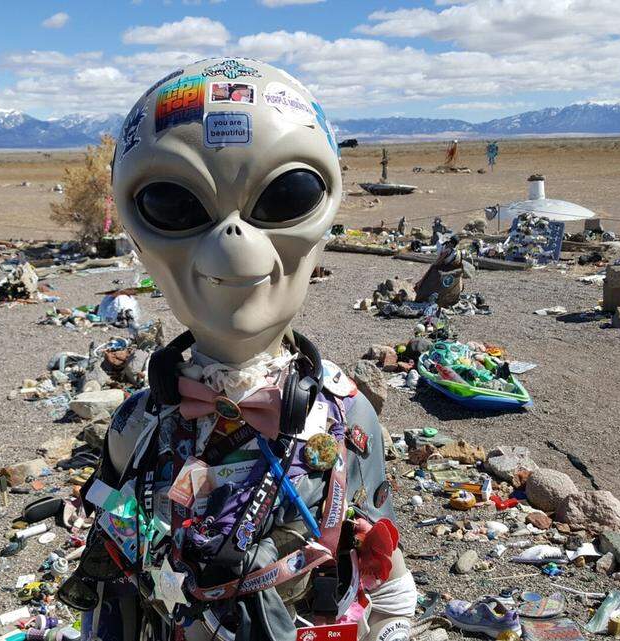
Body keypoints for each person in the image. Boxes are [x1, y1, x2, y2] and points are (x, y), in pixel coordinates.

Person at [67, 59, 416, 641]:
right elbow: (111, 580)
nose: (233, 238)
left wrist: (392, 621)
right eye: (174, 206)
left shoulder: (342, 416)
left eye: (285, 197)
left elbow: (382, 562)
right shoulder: (140, 426)